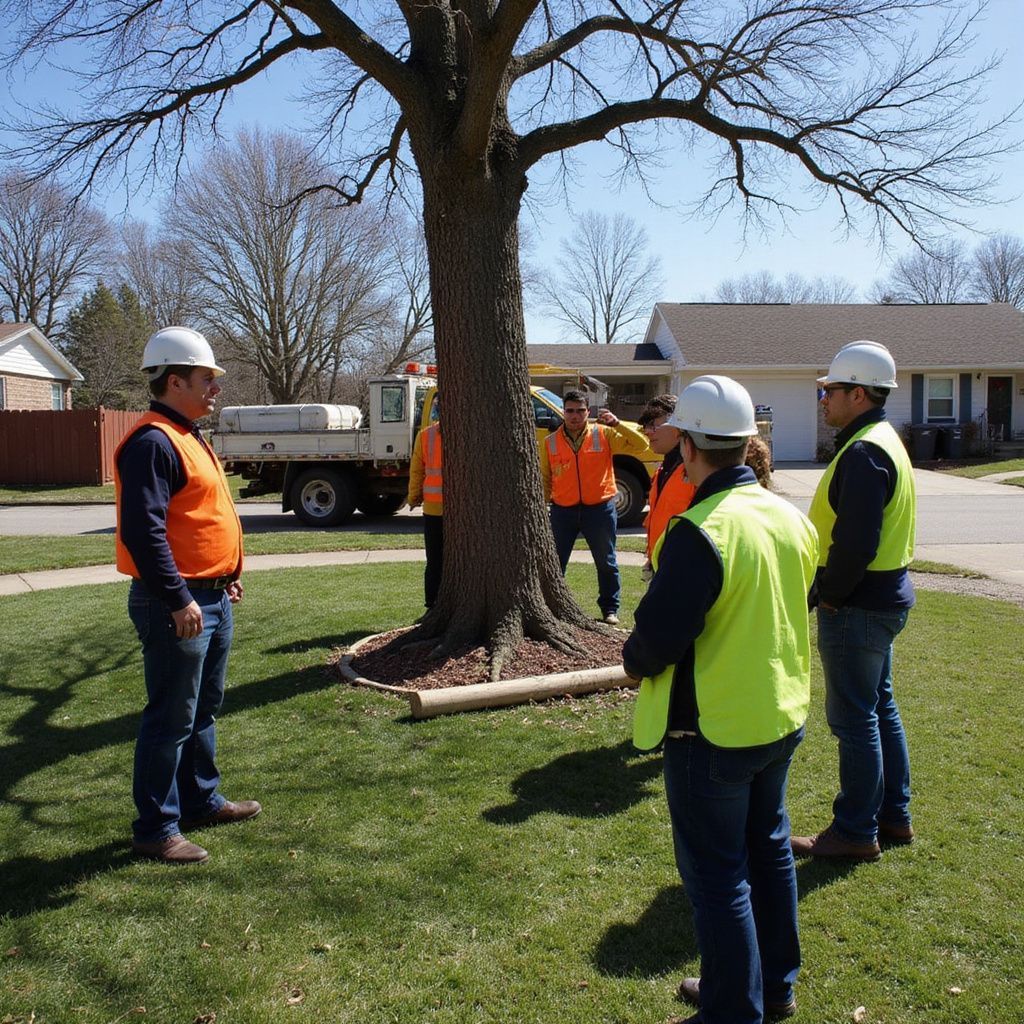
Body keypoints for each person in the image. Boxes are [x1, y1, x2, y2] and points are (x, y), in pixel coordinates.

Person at [624, 375, 818, 1024]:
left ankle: (735, 1010)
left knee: (717, 876)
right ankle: (775, 987)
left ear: (687, 447)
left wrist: (633, 659)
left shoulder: (699, 530)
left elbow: (655, 644)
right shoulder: (788, 516)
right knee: (768, 851)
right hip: (778, 716)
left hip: (713, 733)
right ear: (742, 443)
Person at [115, 326, 258, 865]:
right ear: (174, 380)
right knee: (171, 716)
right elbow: (142, 532)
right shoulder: (154, 441)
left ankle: (199, 800)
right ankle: (156, 828)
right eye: (206, 378)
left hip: (210, 597)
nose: (215, 387)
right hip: (175, 603)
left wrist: (224, 573)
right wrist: (179, 597)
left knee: (203, 708)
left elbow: (195, 520)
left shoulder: (187, 434)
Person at [791, 340, 917, 862]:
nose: (824, 398)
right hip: (881, 599)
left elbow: (857, 544)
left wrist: (831, 598)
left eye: (830, 390)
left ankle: (855, 830)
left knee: (855, 718)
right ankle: (893, 816)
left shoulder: (865, 451)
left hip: (858, 605)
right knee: (878, 707)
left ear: (858, 393)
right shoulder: (880, 439)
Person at [540, 388, 648, 625]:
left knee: (606, 562)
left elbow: (641, 445)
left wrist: (617, 423)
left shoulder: (604, 433)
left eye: (580, 411)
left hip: (599, 509)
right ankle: (552, 607)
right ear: (563, 412)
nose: (575, 416)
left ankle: (610, 609)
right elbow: (546, 478)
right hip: (563, 510)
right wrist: (545, 506)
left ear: (588, 412)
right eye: (570, 411)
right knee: (555, 563)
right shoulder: (550, 442)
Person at [639, 394, 696, 579]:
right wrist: (651, 557)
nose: (647, 432)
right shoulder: (664, 469)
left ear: (677, 425)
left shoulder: (696, 471)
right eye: (645, 426)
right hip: (662, 565)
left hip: (684, 569)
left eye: (653, 425)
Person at [406, 420, 443, 609]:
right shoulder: (467, 434)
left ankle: (432, 603)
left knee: (434, 560)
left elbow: (417, 471)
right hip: (457, 511)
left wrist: (414, 497)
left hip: (433, 509)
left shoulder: (425, 435)